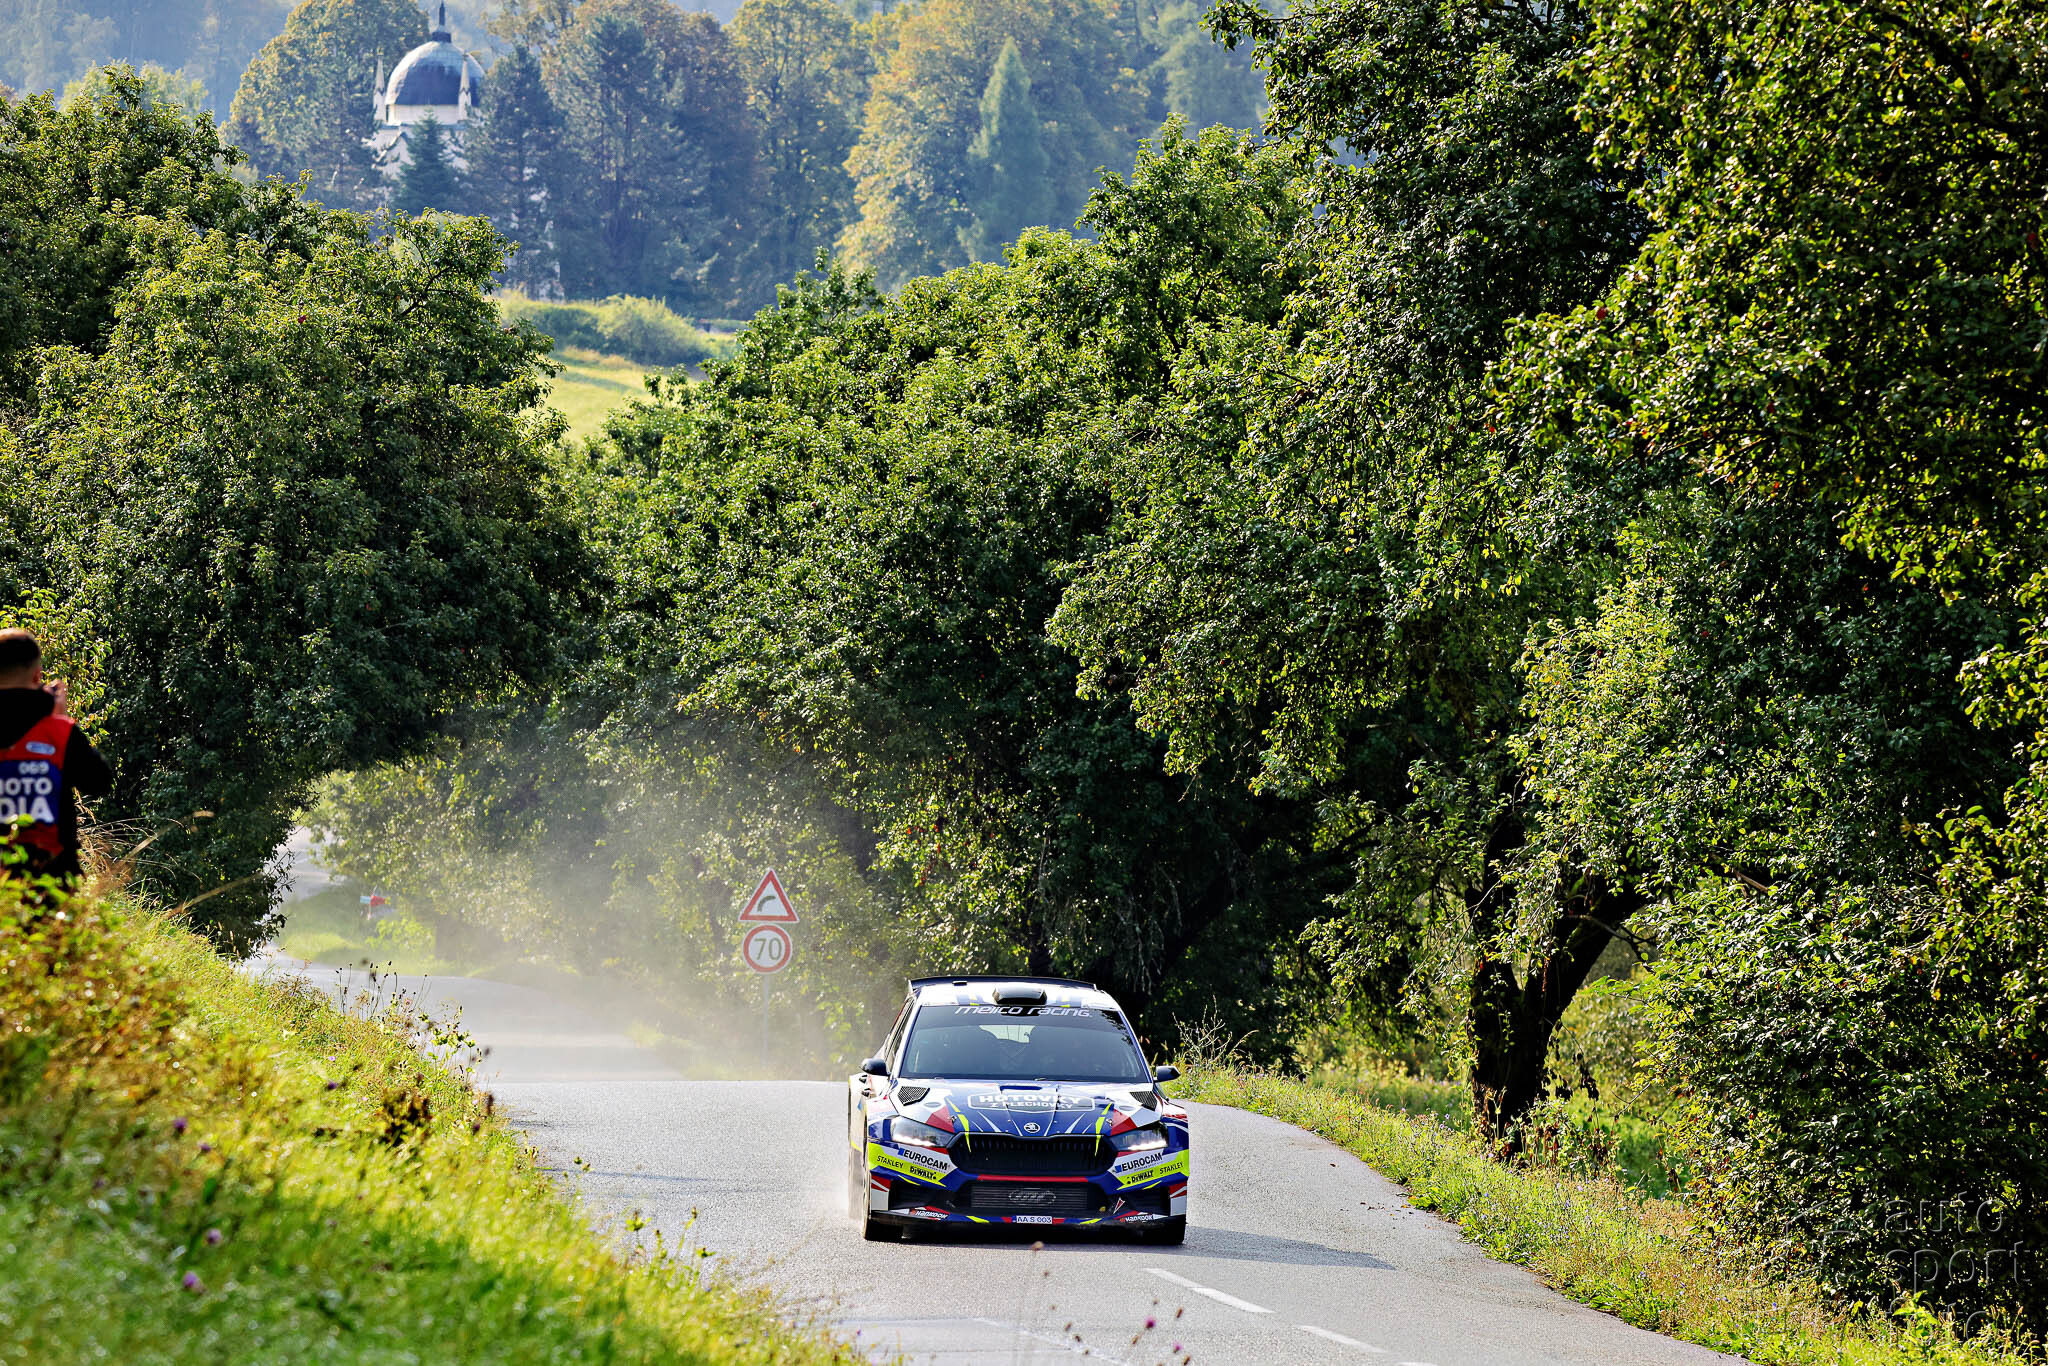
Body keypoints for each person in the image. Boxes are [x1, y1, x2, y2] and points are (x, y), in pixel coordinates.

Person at [0, 629, 113, 884]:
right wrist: (61, 721)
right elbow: (99, 782)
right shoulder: (58, 731)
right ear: (37, 675)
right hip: (52, 882)